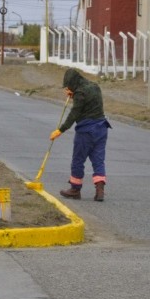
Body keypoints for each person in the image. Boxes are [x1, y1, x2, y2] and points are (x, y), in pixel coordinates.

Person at [50, 68, 112, 201]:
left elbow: (75, 113)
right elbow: (89, 103)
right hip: (102, 128)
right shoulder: (95, 86)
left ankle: (75, 190)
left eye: (68, 86)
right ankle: (100, 190)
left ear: (73, 82)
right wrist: (73, 95)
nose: (67, 88)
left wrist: (61, 130)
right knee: (98, 159)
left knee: (78, 160)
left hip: (86, 131)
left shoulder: (79, 93)